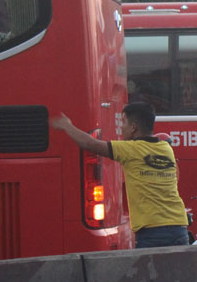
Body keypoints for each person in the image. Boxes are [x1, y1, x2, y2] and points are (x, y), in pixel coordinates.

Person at [50, 102, 188, 248]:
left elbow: (89, 144)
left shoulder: (130, 149)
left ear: (133, 127)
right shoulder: (166, 148)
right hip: (179, 227)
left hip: (152, 231)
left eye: (123, 122)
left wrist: (67, 126)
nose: (121, 127)